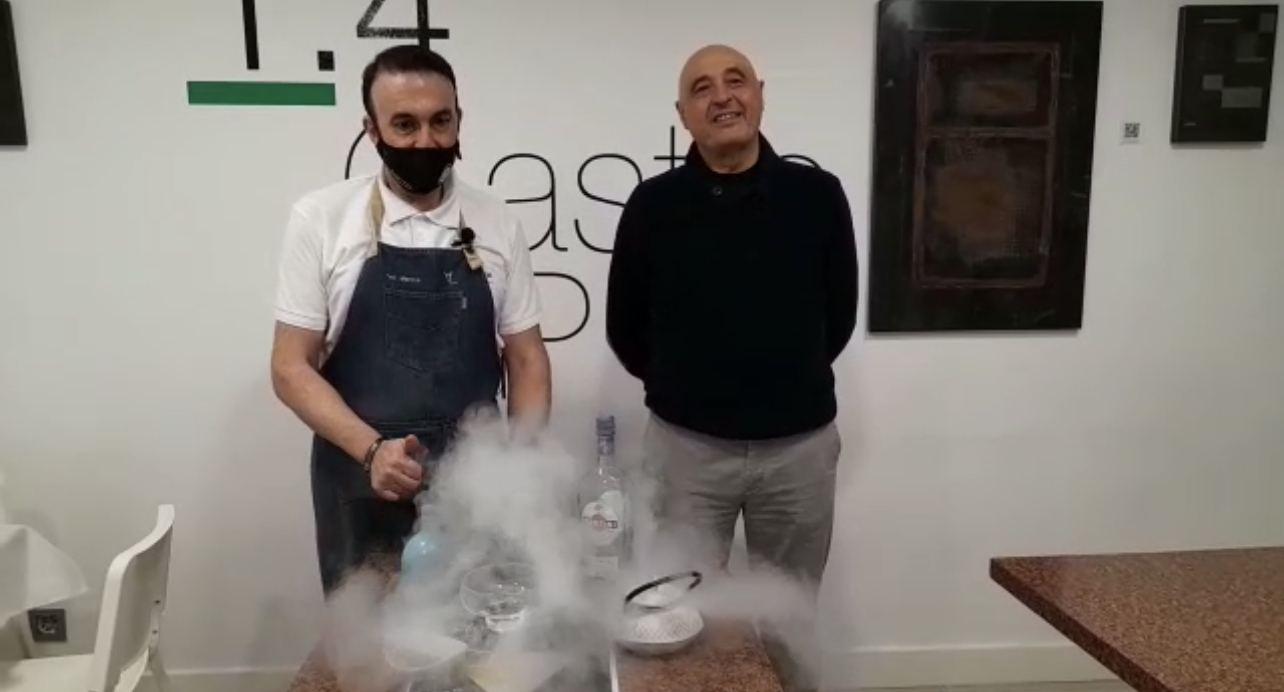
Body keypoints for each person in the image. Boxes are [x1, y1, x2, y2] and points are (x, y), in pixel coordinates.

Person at [605, 44, 858, 691]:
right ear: (683, 115)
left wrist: (775, 383)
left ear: (760, 94)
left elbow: (838, 316)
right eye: (701, 87)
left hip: (797, 453)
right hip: (687, 451)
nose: (722, 96)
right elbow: (624, 328)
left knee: (790, 617)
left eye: (735, 80)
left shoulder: (818, 197)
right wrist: (689, 392)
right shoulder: (652, 207)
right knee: (677, 614)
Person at [270, 45, 551, 596]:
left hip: (475, 486)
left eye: (440, 122)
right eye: (404, 124)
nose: (426, 141)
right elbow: (289, 366)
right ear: (371, 130)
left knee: (477, 643)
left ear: (458, 121)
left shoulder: (496, 221)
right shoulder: (321, 219)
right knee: (369, 657)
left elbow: (527, 357)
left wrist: (518, 466)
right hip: (360, 482)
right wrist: (373, 450)